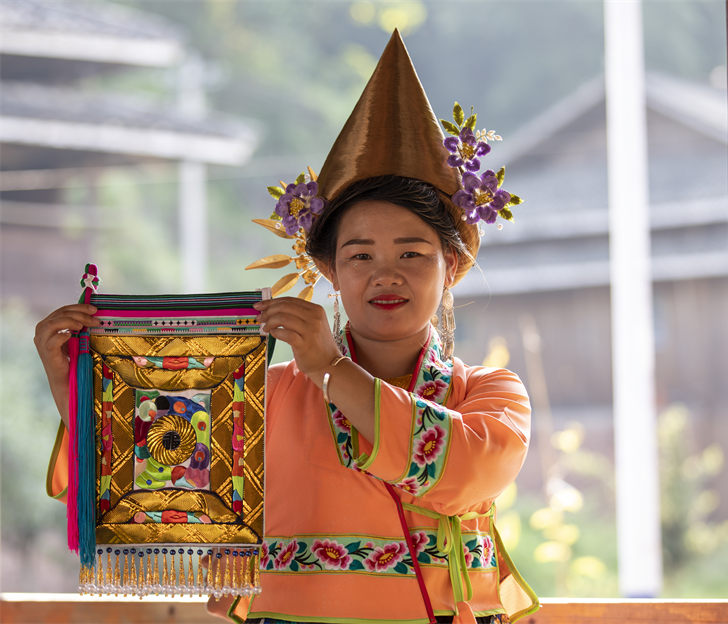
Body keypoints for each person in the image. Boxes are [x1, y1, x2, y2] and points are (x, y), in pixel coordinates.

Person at [35, 31, 538, 624]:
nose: (386, 275)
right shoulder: (262, 396)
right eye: (359, 256)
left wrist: (328, 367)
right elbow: (149, 486)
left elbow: (461, 469)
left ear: (450, 267)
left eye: (412, 255)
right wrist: (76, 392)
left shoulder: (491, 394)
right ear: (329, 270)